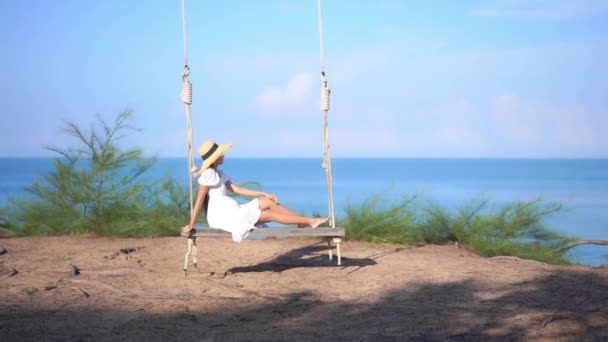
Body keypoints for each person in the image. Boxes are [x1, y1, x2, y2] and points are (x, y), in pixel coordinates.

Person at [181, 140, 330, 242]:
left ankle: (301, 222)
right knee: (270, 215)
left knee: (268, 201)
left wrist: (262, 193)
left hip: (231, 210)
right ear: (214, 158)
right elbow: (200, 199)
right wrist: (191, 223)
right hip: (222, 216)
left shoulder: (218, 173)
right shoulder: (208, 174)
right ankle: (312, 221)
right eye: (221, 153)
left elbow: (237, 189)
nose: (223, 155)